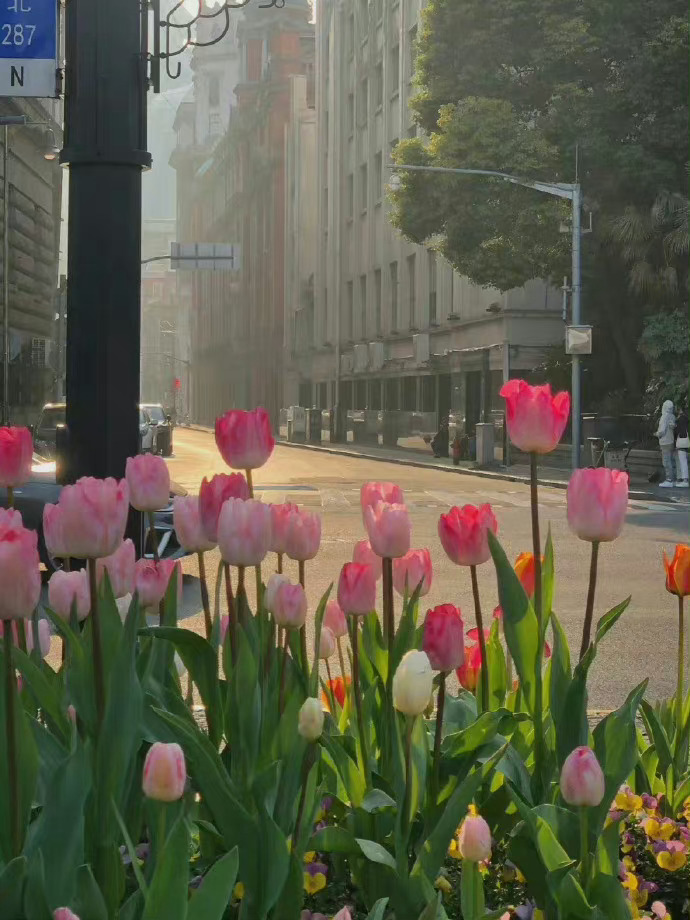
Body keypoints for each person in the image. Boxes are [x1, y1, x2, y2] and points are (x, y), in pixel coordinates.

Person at [655, 399, 677, 487]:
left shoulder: (664, 417)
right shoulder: (672, 416)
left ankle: (669, 480)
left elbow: (662, 431)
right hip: (671, 441)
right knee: (671, 461)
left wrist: (657, 434)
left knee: (666, 461)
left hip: (665, 442)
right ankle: (672, 479)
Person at [675, 404, 689, 488]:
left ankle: (685, 480)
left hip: (681, 442)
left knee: (683, 461)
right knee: (683, 461)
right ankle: (684, 479)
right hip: (684, 441)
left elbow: (680, 430)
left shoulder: (681, 419)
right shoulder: (685, 418)